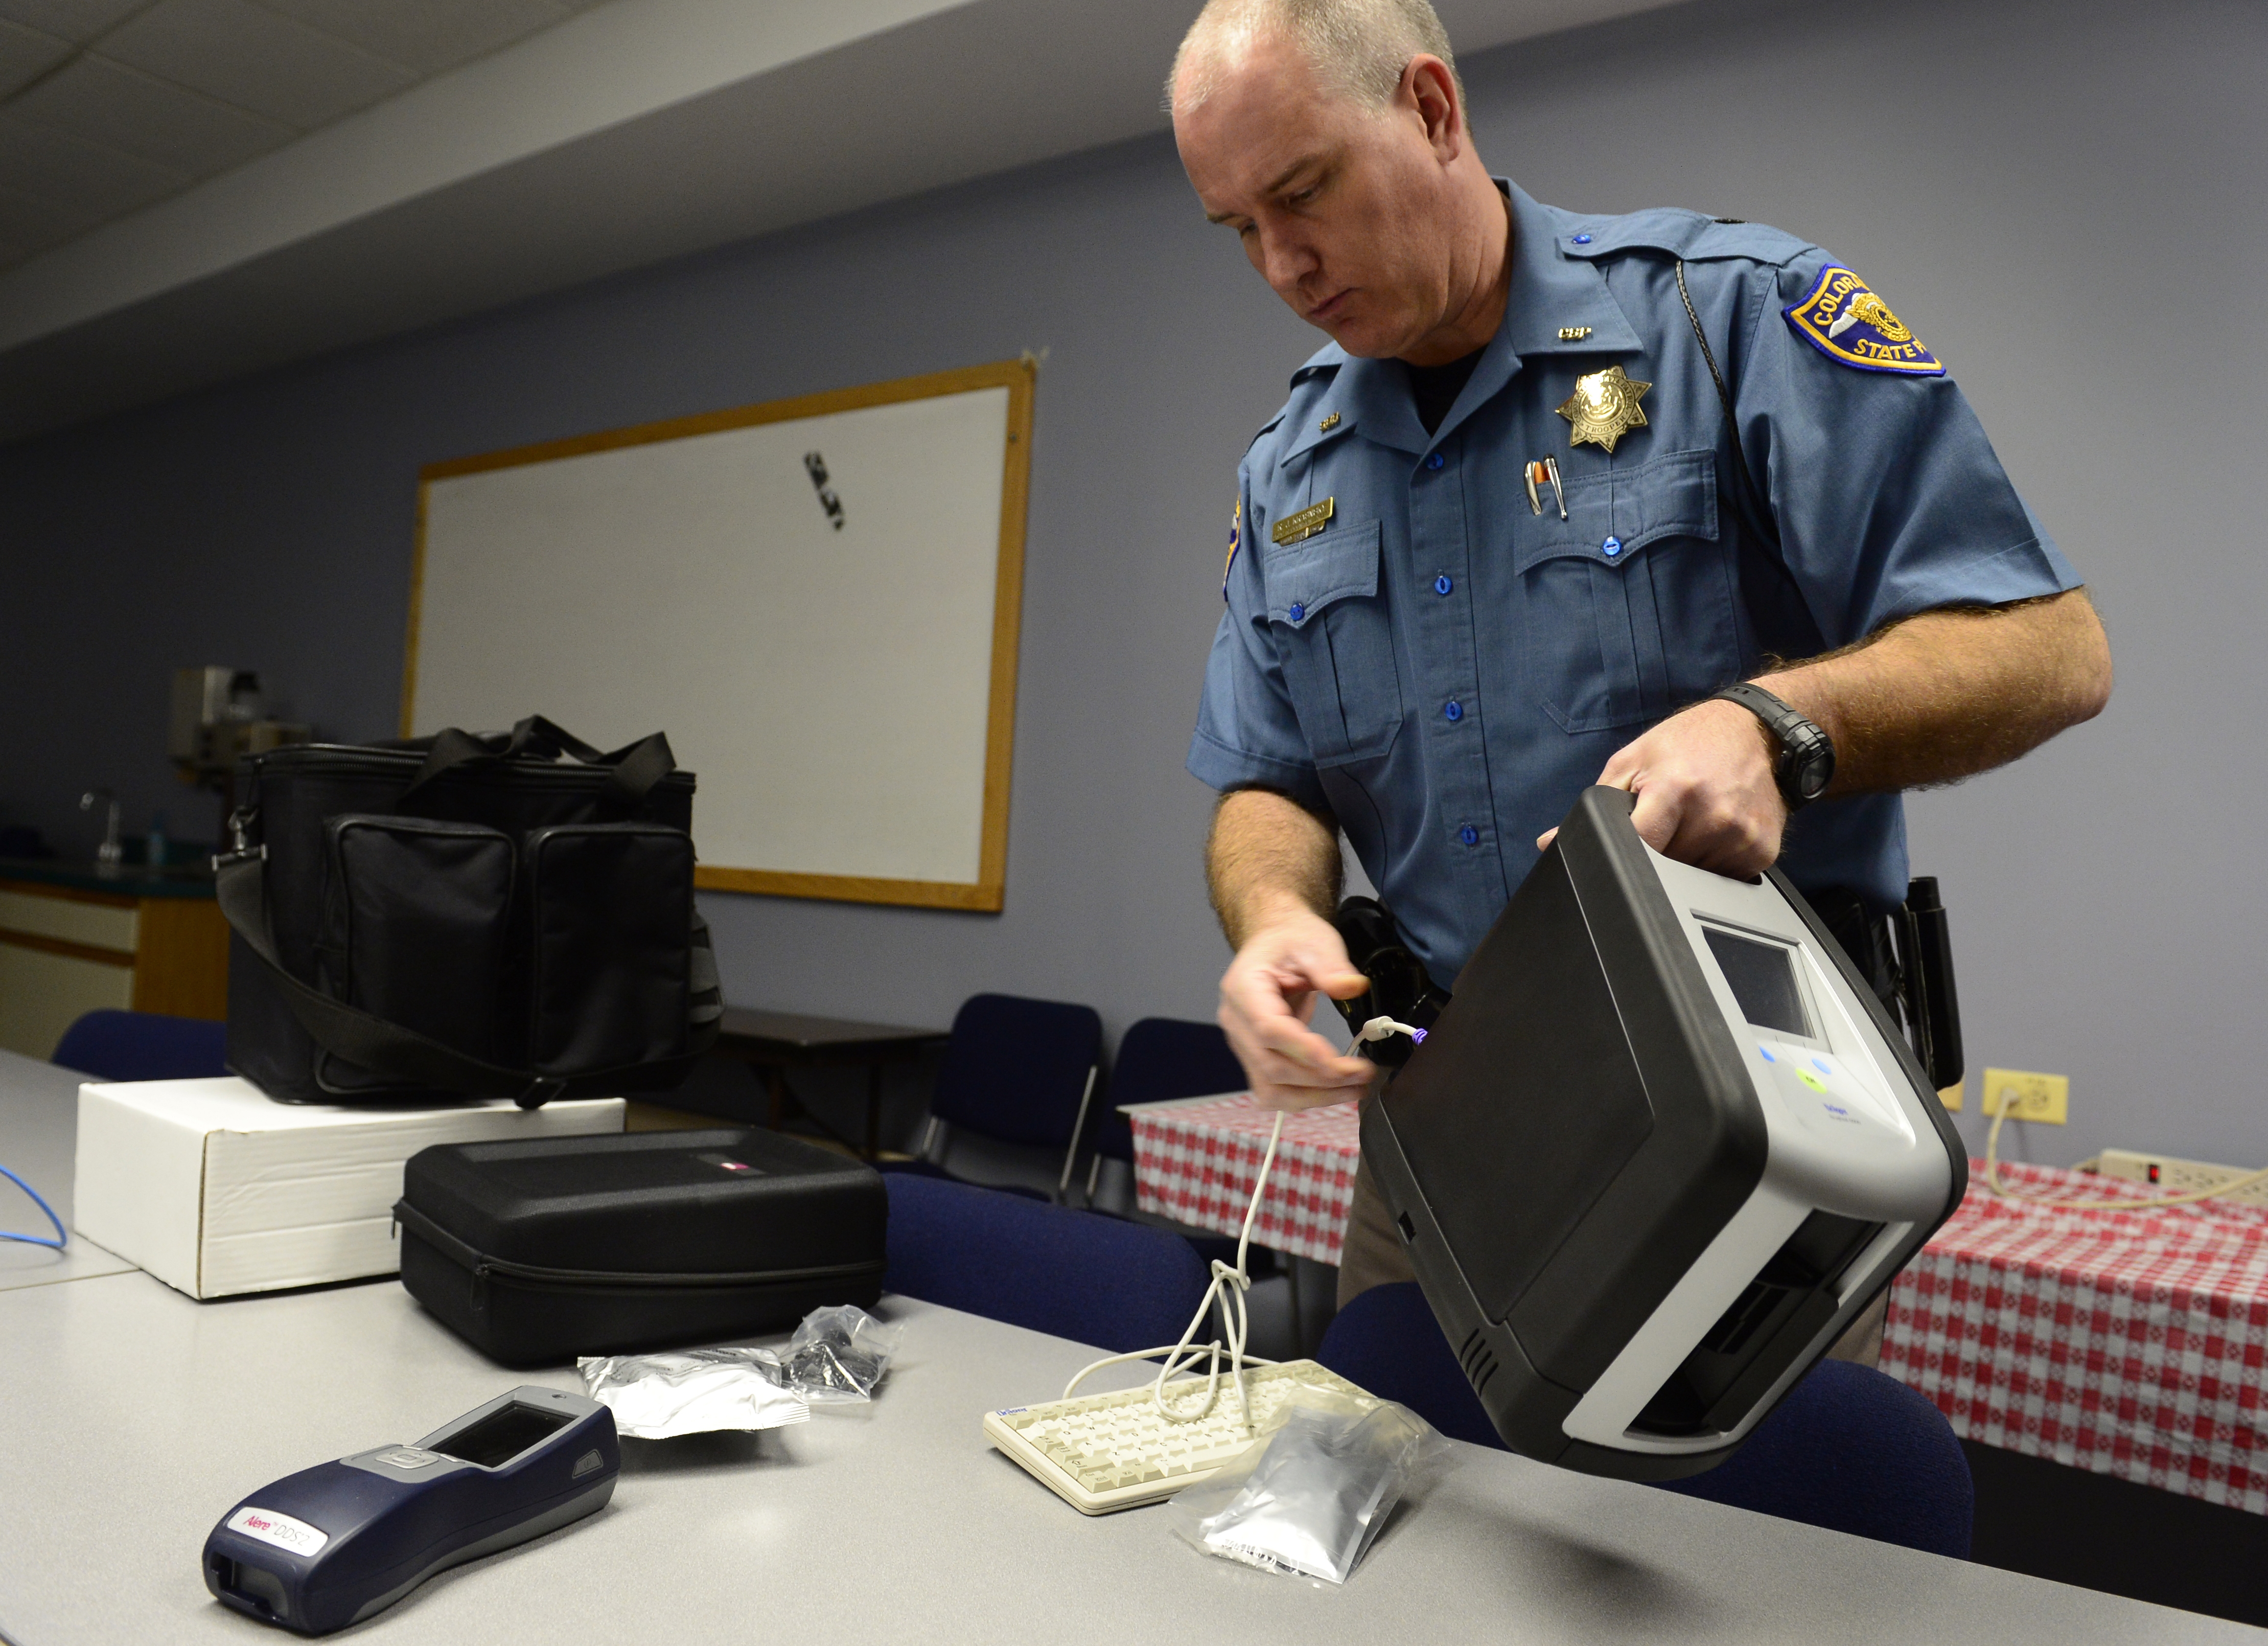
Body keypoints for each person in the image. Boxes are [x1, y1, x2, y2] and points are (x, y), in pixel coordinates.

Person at [1170, 0, 2114, 1347]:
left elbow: (2051, 647)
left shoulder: (1726, 320)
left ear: (1432, 110)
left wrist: (1775, 727)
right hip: (1444, 1136)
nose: (1281, 262)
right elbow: (1266, 777)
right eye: (1239, 229)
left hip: (1751, 1126)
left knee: (1745, 1550)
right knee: (1407, 1532)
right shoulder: (1290, 469)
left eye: (1302, 192)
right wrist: (1271, 913)